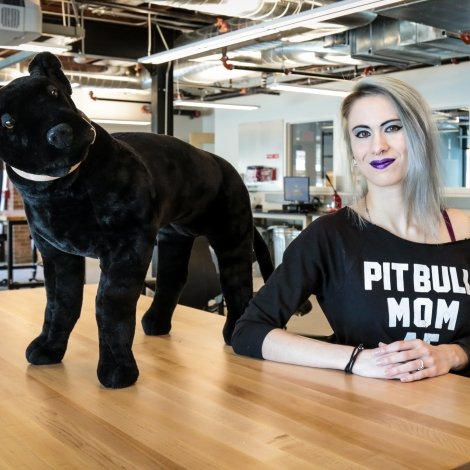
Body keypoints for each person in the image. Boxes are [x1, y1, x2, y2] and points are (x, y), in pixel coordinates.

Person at [231, 75, 470, 381]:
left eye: (393, 128)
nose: (378, 146)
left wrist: (452, 354)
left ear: (419, 135)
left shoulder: (463, 232)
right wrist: (356, 359)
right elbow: (249, 331)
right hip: (362, 418)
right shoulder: (330, 236)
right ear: (354, 152)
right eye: (362, 133)